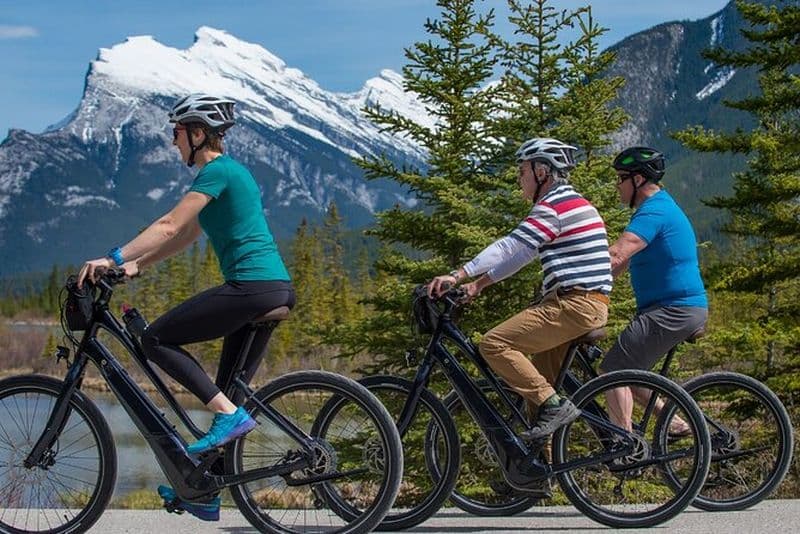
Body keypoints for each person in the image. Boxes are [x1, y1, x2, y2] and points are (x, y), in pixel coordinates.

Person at [78, 93, 294, 520]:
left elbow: (168, 224)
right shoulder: (229, 174)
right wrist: (138, 265)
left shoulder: (217, 171)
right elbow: (186, 236)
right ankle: (204, 491)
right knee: (230, 393)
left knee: (155, 338)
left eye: (176, 133)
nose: (173, 141)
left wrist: (113, 258)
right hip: (272, 288)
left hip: (252, 286)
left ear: (197, 134)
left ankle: (227, 417)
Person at [429, 137, 612, 441]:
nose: (519, 180)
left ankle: (553, 406)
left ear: (541, 171)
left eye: (522, 172)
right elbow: (525, 254)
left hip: (574, 305)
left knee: (493, 345)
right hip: (584, 304)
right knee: (539, 393)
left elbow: (510, 245)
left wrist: (458, 274)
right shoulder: (571, 202)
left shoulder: (554, 206)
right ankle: (537, 477)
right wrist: (479, 284)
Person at [600, 146, 708, 434]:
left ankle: (623, 444)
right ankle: (674, 422)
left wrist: (570, 276)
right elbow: (619, 266)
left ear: (637, 180)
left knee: (613, 371)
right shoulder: (658, 208)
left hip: (674, 309)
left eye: (621, 178)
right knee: (633, 375)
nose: (616, 186)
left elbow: (617, 255)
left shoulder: (654, 211)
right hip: (677, 308)